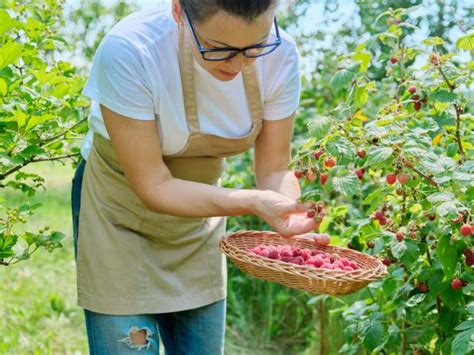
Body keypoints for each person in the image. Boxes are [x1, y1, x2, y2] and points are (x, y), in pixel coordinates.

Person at [71, 0, 329, 353]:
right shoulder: (130, 51)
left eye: (255, 47)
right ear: (179, 12)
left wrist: (287, 209)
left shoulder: (281, 56)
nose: (238, 64)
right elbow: (154, 185)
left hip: (200, 215)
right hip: (119, 212)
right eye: (218, 49)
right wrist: (252, 201)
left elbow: (273, 168)